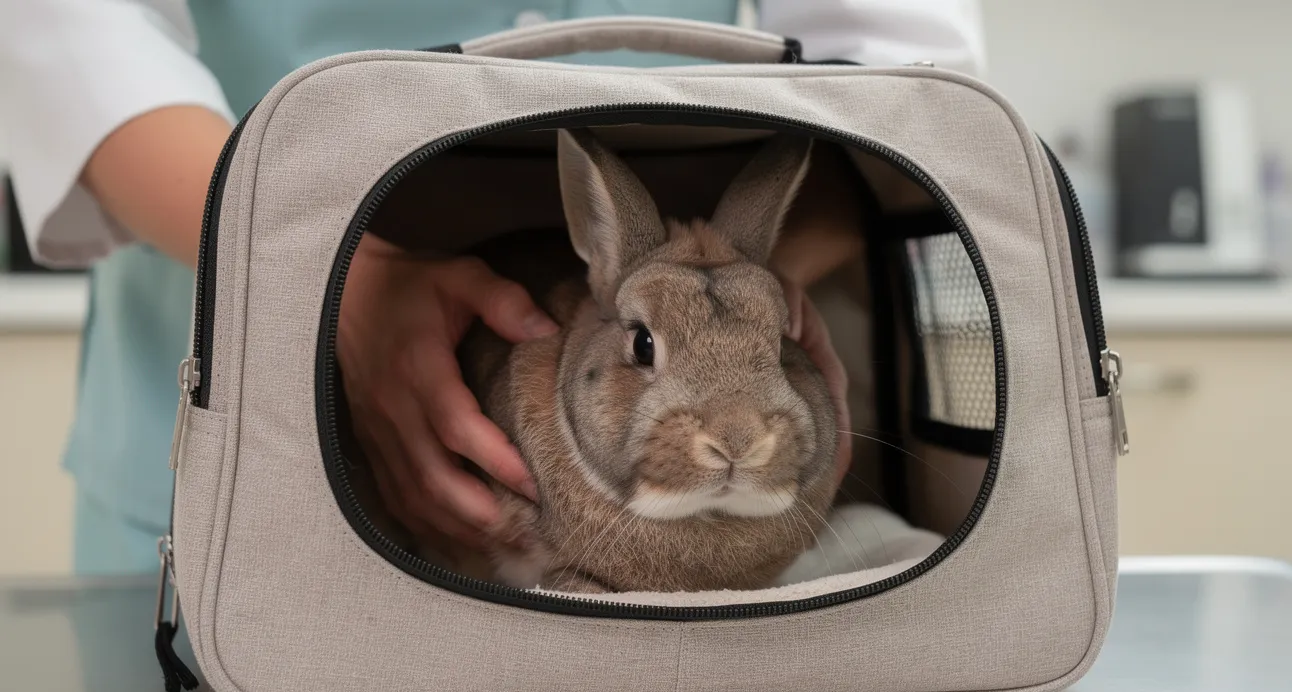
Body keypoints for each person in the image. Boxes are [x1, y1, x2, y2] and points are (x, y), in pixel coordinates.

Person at [1, 1, 987, 575]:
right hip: (240, 382)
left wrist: (744, 294)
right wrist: (331, 281)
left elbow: (911, 83)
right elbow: (78, 42)